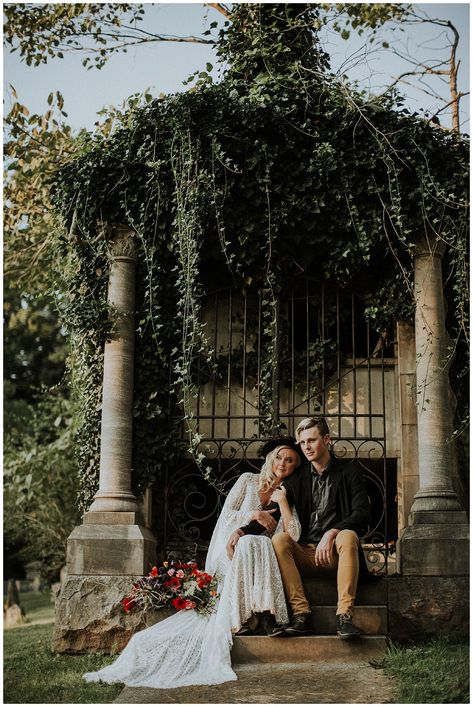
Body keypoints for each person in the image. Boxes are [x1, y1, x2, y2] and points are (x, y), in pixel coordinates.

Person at [83, 440, 301, 689]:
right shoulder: (248, 480)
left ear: (295, 467)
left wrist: (283, 503)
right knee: (250, 543)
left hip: (259, 556)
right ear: (271, 458)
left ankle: (262, 615)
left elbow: (293, 534)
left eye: (290, 460)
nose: (283, 463)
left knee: (257, 544)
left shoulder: (288, 493)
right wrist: (252, 515)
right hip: (230, 548)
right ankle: (258, 616)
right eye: (279, 457)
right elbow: (227, 514)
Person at [238, 417, 370, 640]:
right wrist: (241, 532)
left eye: (311, 440)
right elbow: (273, 514)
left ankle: (344, 616)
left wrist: (332, 532)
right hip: (306, 554)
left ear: (326, 439)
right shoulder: (297, 478)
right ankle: (302, 615)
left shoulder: (349, 472)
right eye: (302, 442)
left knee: (347, 535)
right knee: (279, 539)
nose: (306, 447)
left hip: (337, 555)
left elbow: (362, 513)